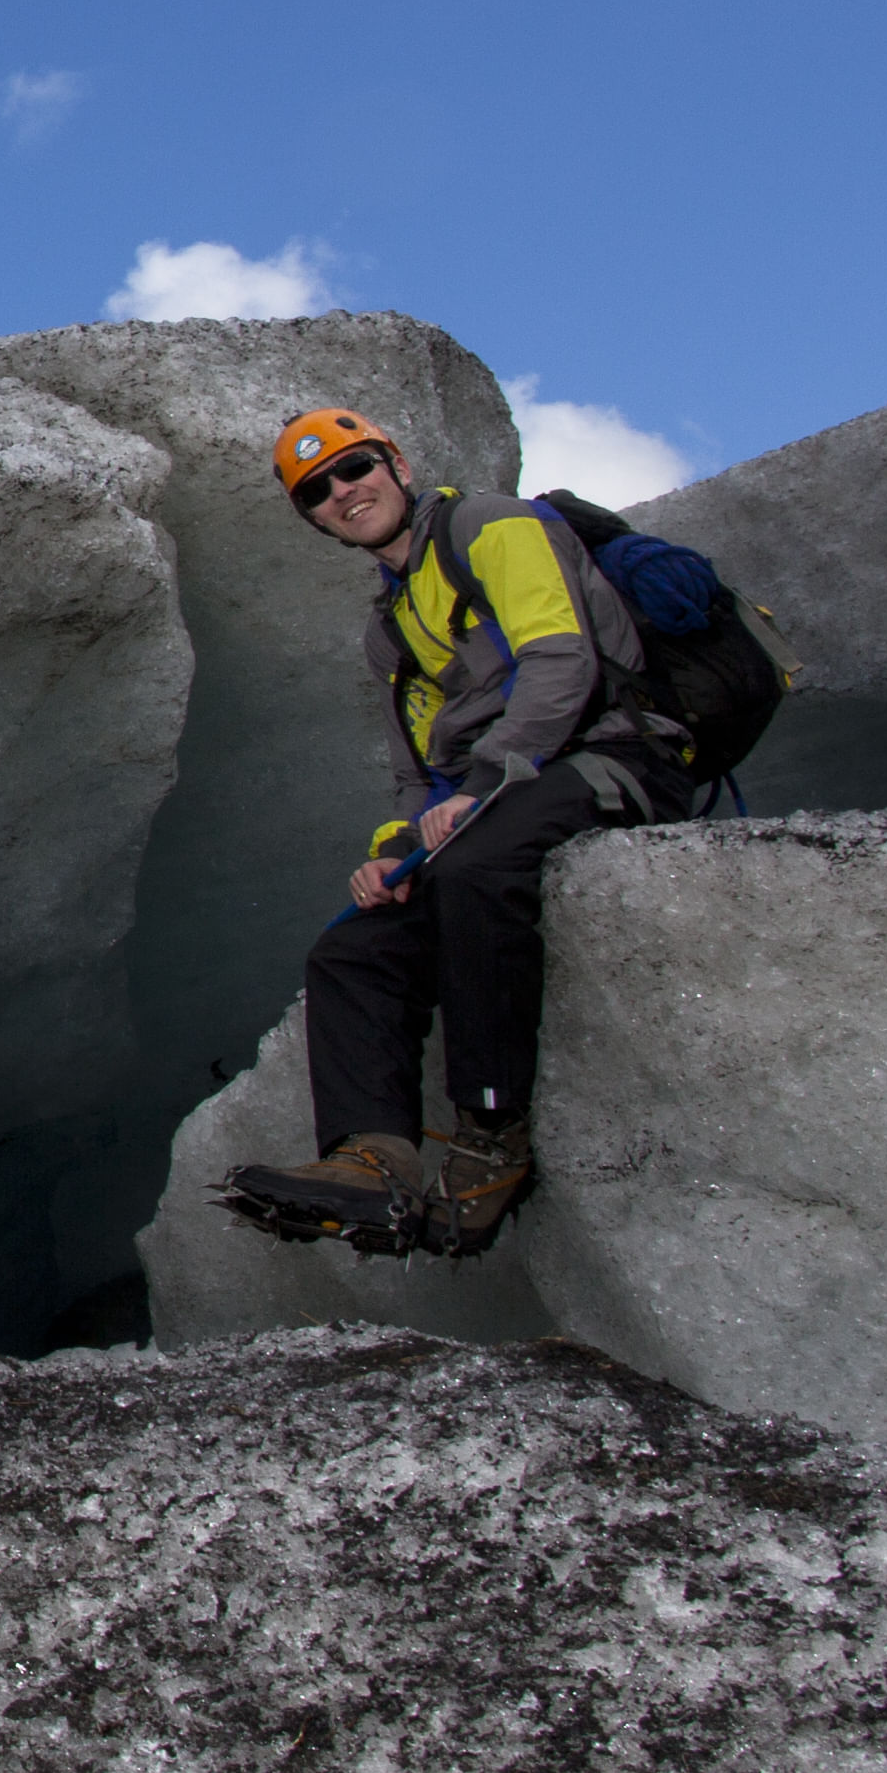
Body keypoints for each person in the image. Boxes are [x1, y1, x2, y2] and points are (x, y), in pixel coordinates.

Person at [225, 409, 694, 1259]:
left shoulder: (491, 528)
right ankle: (373, 1157)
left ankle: (490, 1135)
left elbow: (562, 662)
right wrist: (396, 850)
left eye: (355, 466)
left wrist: (484, 786)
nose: (342, 491)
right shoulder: (389, 627)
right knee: (353, 949)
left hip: (613, 757)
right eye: (317, 492)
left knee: (476, 867)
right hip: (499, 794)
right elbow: (415, 770)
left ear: (396, 463)